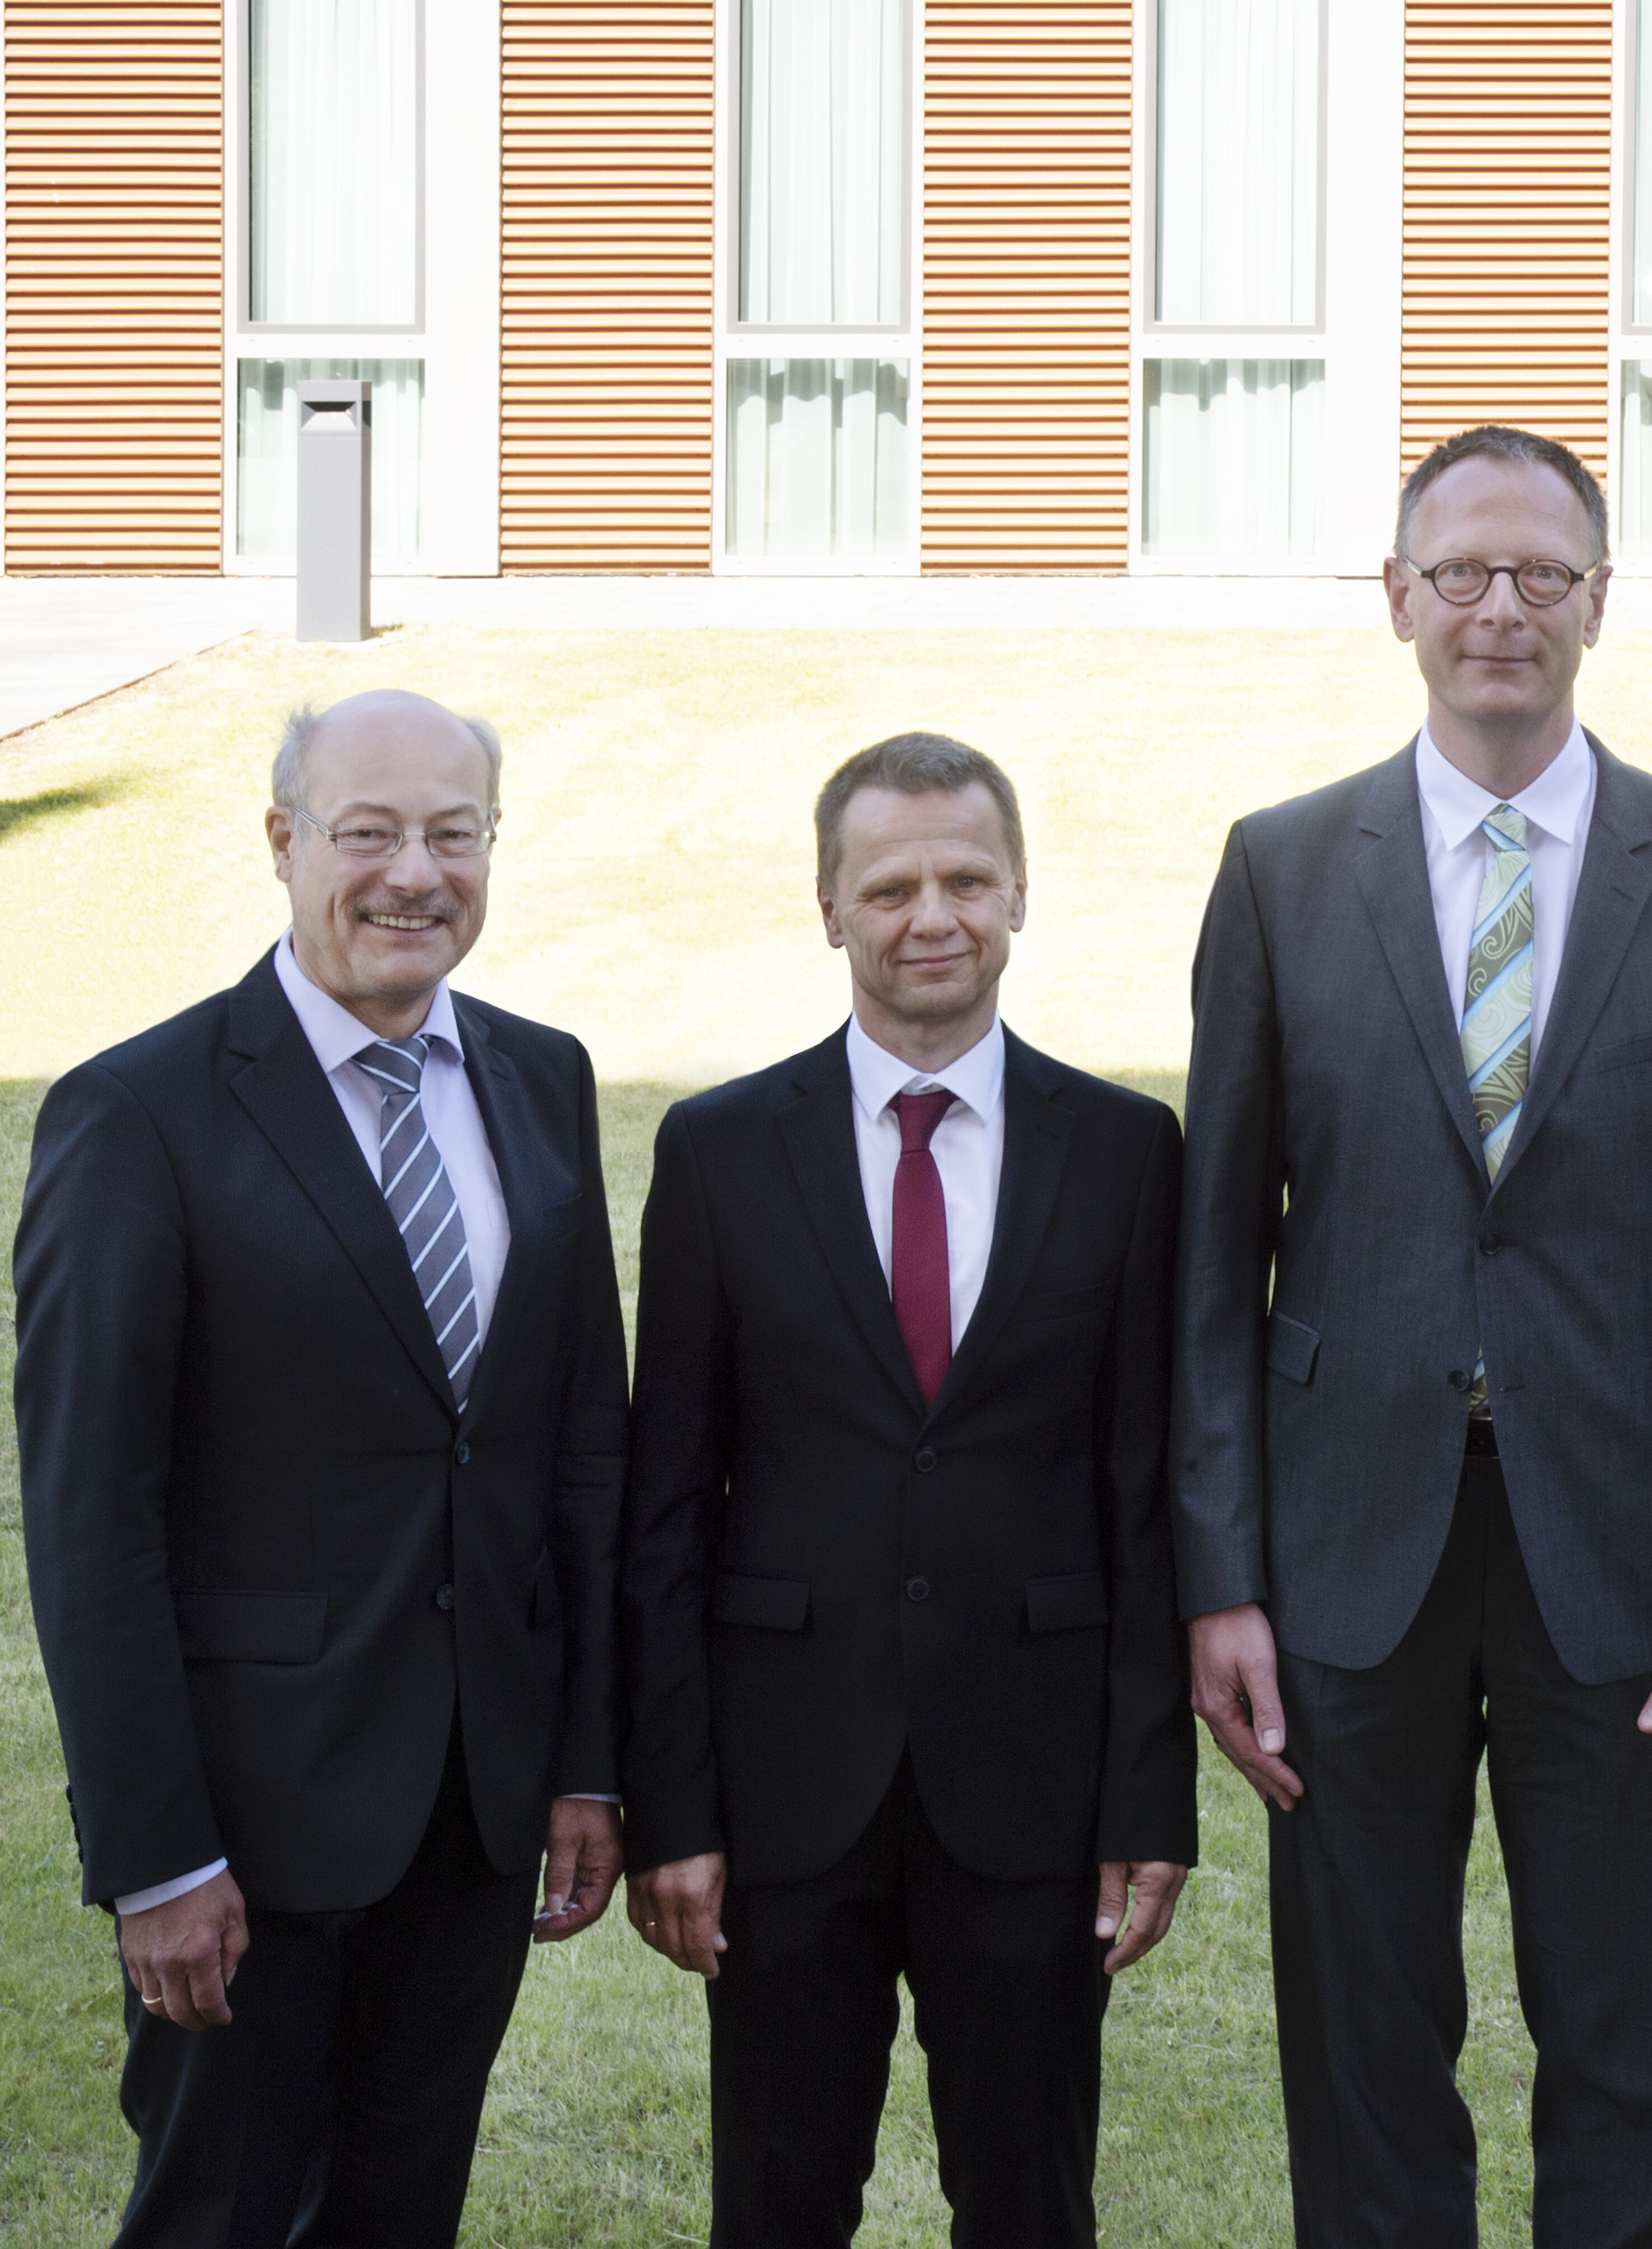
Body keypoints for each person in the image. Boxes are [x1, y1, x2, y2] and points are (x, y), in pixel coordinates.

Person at [1173, 424, 1652, 2246]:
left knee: (1629, 2042)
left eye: (1543, 573)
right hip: (1343, 1551)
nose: (1501, 608)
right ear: (1397, 597)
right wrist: (1222, 1575)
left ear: (1601, 600)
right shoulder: (1282, 869)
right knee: (1364, 2047)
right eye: (1461, 571)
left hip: (1626, 1560)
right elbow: (1214, 1260)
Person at [15, 690, 629, 2247]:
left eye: (453, 833)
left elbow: (576, 1458)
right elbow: (92, 1526)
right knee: (219, 2219)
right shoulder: (136, 1114)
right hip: (250, 1827)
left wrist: (584, 1759)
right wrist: (158, 1857)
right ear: (285, 842)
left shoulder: (543, 1079)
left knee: (402, 2212)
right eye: (368, 832)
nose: (413, 873)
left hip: (474, 1808)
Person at [617, 732, 1195, 2246]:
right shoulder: (720, 1150)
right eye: (889, 887)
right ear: (829, 908)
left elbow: (1148, 1503)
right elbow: (663, 1505)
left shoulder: (1129, 1152)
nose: (931, 915)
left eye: (965, 880)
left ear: (1020, 896)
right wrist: (672, 1803)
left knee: (1029, 2199)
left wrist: (1147, 1795)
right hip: (784, 1784)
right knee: (778, 2200)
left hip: (1034, 1778)